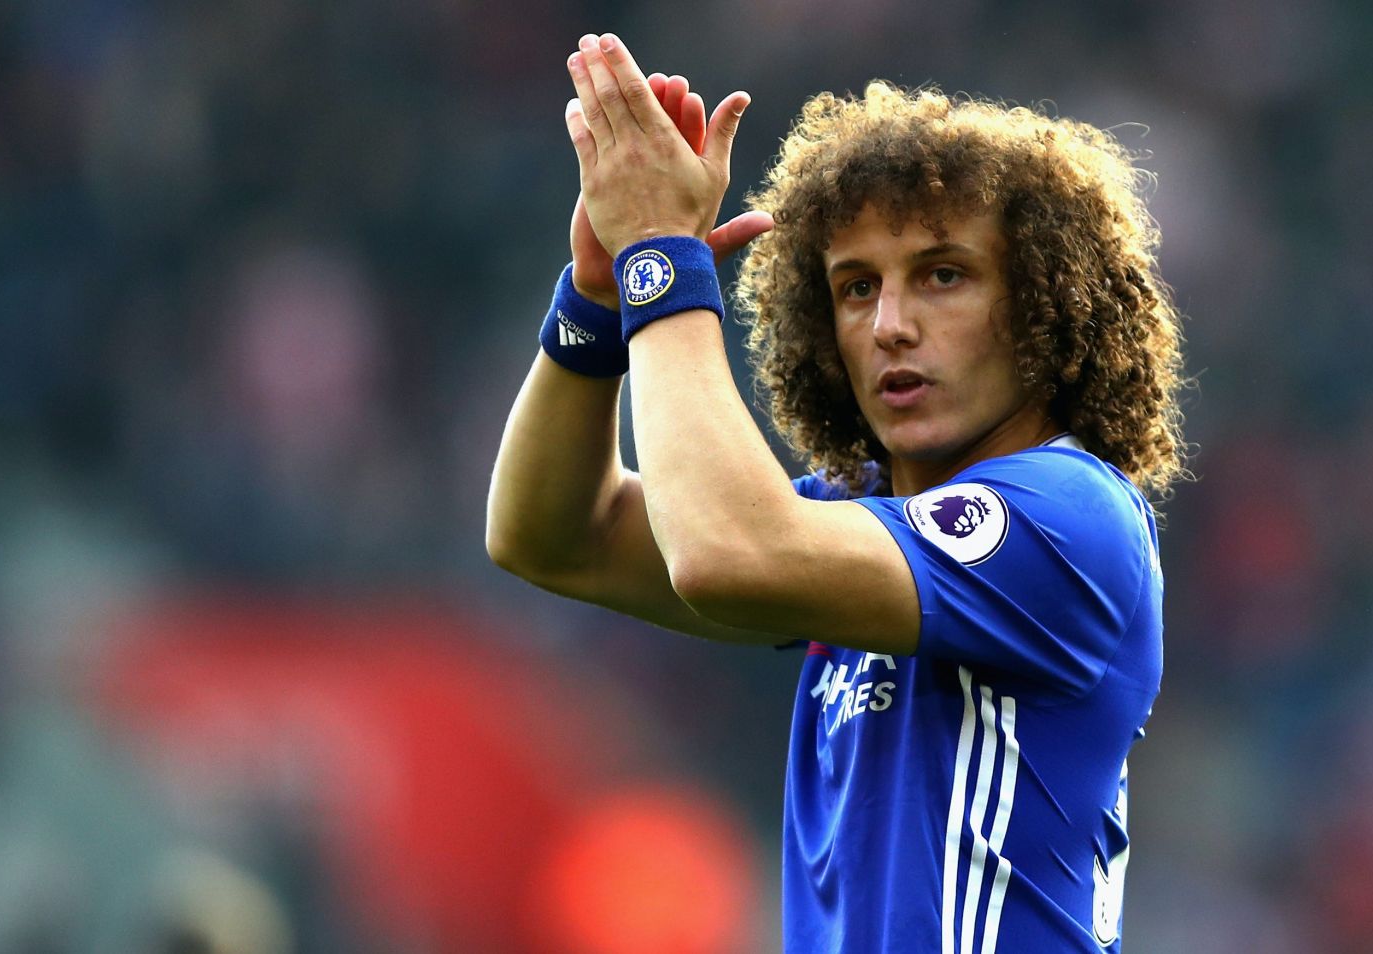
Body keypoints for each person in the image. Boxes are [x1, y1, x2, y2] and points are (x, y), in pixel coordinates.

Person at [487, 30, 1187, 954]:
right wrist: (597, 301)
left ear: (1046, 306)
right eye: (856, 288)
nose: (890, 324)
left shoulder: (1069, 514)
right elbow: (551, 536)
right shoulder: (851, 525)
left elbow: (727, 551)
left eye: (943, 275)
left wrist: (659, 258)